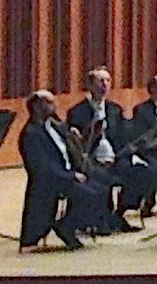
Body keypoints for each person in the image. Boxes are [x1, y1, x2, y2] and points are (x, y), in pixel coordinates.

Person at [18, 90, 121, 250]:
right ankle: (65, 226)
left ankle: (69, 224)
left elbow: (74, 149)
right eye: (49, 103)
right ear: (36, 106)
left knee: (102, 189)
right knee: (90, 195)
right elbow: (43, 167)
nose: (55, 106)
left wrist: (80, 135)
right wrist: (72, 175)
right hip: (52, 179)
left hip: (68, 174)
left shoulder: (55, 126)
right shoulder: (31, 133)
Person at [64, 67, 157, 229]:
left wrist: (125, 154)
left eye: (107, 81)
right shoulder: (77, 112)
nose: (105, 85)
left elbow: (123, 138)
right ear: (90, 85)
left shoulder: (115, 109)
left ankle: (119, 213)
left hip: (115, 158)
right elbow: (76, 146)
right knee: (101, 179)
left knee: (145, 173)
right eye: (100, 81)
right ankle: (102, 219)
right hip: (91, 162)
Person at [127, 73, 157, 217]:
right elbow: (140, 137)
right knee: (156, 168)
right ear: (153, 89)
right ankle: (149, 202)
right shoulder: (141, 110)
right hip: (149, 153)